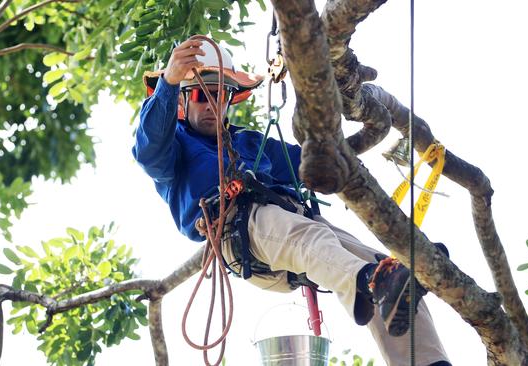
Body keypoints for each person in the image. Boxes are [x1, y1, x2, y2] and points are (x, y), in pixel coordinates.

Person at [133, 35, 452, 366]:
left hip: (298, 226)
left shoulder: (248, 142)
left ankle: (426, 357)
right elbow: (149, 149)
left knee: (390, 269)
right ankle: (373, 280)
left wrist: (337, 127)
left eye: (221, 94)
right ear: (183, 102)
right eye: (202, 94)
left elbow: (311, 164)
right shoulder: (173, 147)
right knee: (320, 244)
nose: (213, 103)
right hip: (241, 231)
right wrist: (168, 83)